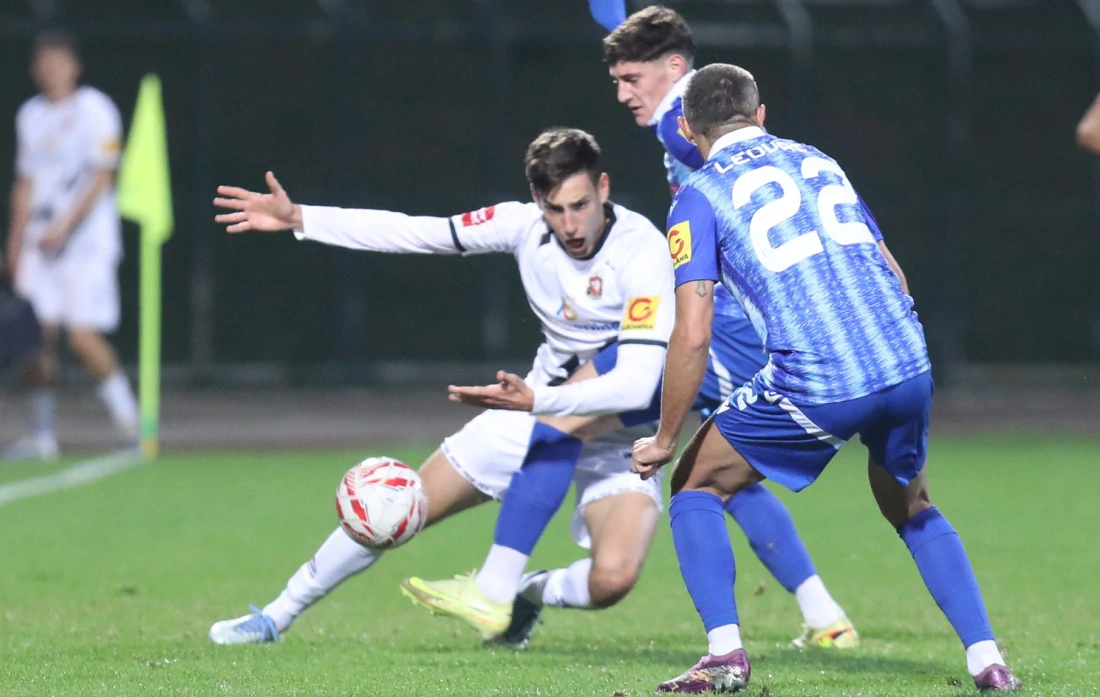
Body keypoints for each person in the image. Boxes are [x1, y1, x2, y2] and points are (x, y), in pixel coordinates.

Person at [431, 5, 862, 653]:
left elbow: (693, 122)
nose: (623, 93)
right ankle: (824, 612)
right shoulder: (705, 110)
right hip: (752, 329)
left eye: (632, 78)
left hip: (715, 329)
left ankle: (494, 588)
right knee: (713, 471)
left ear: (676, 72)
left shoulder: (679, 118)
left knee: (562, 416)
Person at [630, 63, 1022, 693]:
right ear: (760, 115)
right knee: (913, 506)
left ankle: (725, 656)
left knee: (697, 484)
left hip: (819, 379)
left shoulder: (695, 197)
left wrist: (665, 435)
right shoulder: (819, 161)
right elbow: (890, 271)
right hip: (905, 361)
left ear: (685, 126)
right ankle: (987, 662)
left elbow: (693, 331)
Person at [207, 127, 676, 644]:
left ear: (603, 188)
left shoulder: (642, 251)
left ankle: (525, 593)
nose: (570, 223)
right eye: (554, 208)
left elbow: (636, 385)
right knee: (392, 508)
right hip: (532, 409)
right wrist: (302, 218)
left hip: (618, 432)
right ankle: (276, 616)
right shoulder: (521, 227)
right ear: (536, 201)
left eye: (580, 204)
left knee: (613, 580)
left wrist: (540, 401)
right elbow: (418, 232)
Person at [3, 30, 138, 460]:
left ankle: (132, 425)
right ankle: (41, 436)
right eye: (43, 63)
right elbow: (24, 183)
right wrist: (15, 241)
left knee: (82, 336)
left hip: (86, 246)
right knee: (32, 337)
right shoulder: (30, 115)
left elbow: (103, 176)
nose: (50, 71)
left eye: (58, 62)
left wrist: (64, 226)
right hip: (39, 248)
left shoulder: (96, 109)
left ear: (74, 66)